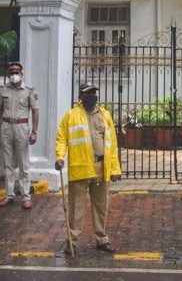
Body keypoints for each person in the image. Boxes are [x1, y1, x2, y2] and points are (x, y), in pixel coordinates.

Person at [55, 82, 121, 255]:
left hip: (101, 166)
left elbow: (112, 144)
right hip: (80, 167)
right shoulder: (71, 116)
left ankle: (102, 239)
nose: (92, 96)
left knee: (101, 206)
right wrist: (60, 157)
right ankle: (73, 241)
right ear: (81, 97)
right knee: (76, 207)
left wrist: (114, 169)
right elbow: (62, 138)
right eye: (88, 93)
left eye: (94, 92)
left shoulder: (104, 115)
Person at [0, 62, 39, 210]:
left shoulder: (29, 91)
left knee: (23, 163)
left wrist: (34, 131)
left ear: (22, 74)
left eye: (17, 72)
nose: (14, 75)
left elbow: (35, 111)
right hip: (6, 127)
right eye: (11, 73)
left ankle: (26, 196)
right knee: (7, 163)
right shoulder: (2, 90)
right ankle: (9, 194)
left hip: (21, 127)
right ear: (8, 74)